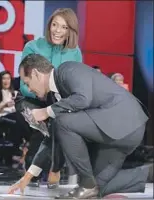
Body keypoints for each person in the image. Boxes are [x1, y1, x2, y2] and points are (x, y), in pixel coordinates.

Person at [8, 54, 151, 199]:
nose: (29, 88)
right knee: (97, 189)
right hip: (115, 134)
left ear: (35, 74)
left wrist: (45, 111)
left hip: (124, 120)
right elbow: (53, 136)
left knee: (63, 122)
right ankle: (149, 173)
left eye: (27, 82)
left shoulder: (68, 70)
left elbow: (82, 99)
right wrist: (27, 176)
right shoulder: (55, 98)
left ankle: (86, 184)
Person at [20, 8, 82, 187]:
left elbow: (75, 84)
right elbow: (24, 84)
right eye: (55, 25)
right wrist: (43, 95)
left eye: (63, 27)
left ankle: (55, 169)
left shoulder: (74, 52)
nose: (57, 30)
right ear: (49, 26)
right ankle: (32, 173)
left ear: (71, 30)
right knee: (42, 127)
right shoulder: (33, 46)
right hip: (31, 98)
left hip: (59, 101)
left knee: (65, 125)